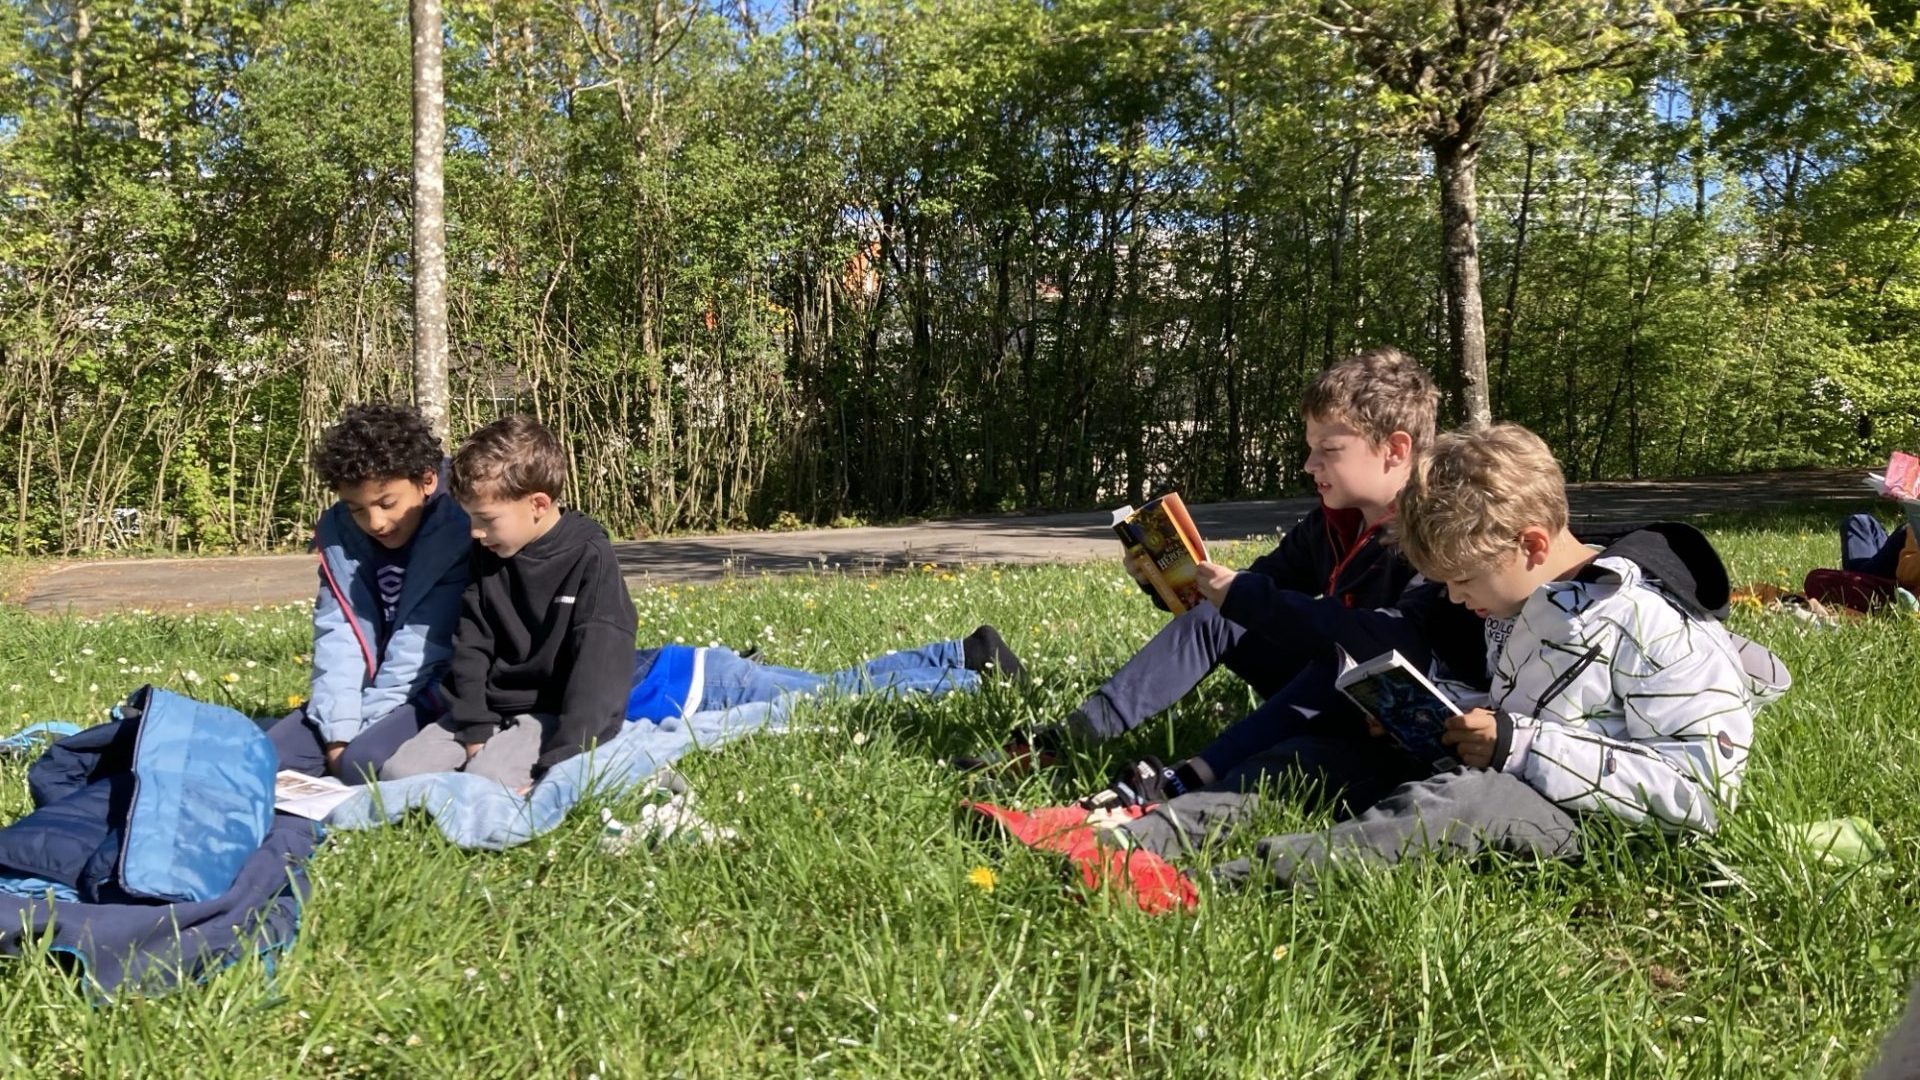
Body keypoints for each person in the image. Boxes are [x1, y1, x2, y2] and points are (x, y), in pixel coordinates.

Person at [1073, 423, 1790, 909]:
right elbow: (1525, 704)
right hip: (1506, 766)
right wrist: (1430, 707)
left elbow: (1701, 792)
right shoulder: (1519, 601)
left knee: (1460, 803)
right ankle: (1138, 838)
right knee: (1321, 755)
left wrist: (1517, 744)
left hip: (1595, 824)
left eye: (1462, 580)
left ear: (1531, 545)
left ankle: (1230, 884)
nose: (1453, 599)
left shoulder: (1658, 626)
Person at [962, 345, 1445, 773]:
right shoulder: (1332, 523)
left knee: (1302, 640)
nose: (1309, 464)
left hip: (1396, 715)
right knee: (1221, 615)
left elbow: (1387, 643)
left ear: (1395, 449)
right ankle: (1070, 738)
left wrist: (1246, 595)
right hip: (1334, 682)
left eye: (1329, 449)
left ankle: (1190, 776)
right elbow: (1253, 594)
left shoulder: (1439, 532)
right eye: (1309, 448)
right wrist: (1167, 579)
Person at [381, 415, 636, 791]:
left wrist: (564, 760)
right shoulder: (486, 552)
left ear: (538, 504)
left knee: (489, 780)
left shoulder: (589, 556)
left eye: (486, 519)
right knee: (396, 775)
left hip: (549, 711)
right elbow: (471, 645)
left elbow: (598, 670)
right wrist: (474, 728)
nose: (475, 532)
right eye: (470, 518)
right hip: (486, 707)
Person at [267, 404, 470, 782]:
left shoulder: (458, 526)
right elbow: (338, 632)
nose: (375, 522)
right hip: (368, 686)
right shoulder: (338, 531)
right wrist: (337, 730)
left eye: (387, 503)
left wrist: (360, 731)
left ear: (427, 480)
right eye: (357, 509)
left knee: (359, 763)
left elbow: (420, 648)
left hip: (433, 684)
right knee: (268, 759)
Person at [624, 626, 1025, 721]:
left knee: (835, 697)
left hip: (693, 689)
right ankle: (964, 654)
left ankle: (974, 683)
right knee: (836, 684)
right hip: (690, 667)